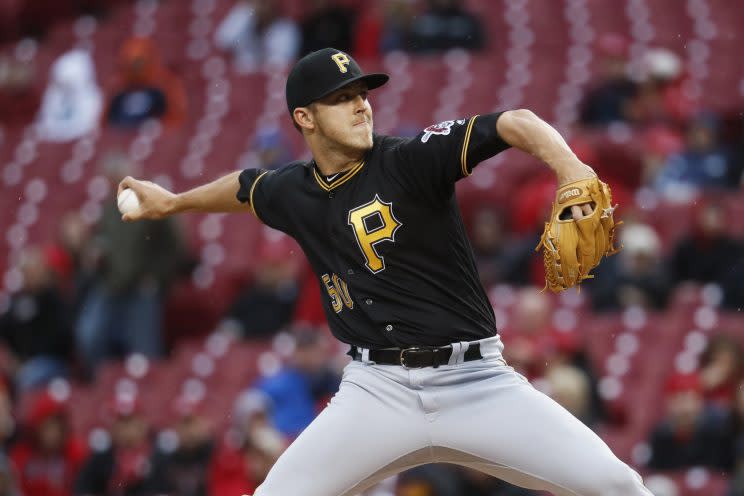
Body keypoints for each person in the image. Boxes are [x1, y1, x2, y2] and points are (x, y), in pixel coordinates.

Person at [118, 48, 652, 495]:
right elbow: (244, 187)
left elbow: (515, 123)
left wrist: (571, 167)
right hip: (377, 390)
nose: (360, 106)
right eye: (341, 98)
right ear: (304, 117)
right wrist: (172, 203)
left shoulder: (409, 160)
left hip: (476, 382)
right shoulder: (294, 191)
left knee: (618, 487)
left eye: (361, 94)